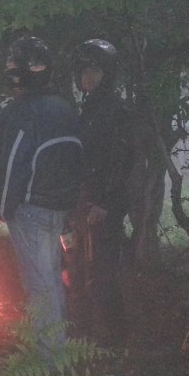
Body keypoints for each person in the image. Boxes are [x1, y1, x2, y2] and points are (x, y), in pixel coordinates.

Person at [0, 36, 83, 360]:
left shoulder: (20, 112)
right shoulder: (64, 109)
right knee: (51, 278)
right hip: (59, 209)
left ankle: (49, 357)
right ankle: (57, 344)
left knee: (40, 284)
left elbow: (12, 163)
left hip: (30, 211)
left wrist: (1, 207)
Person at [68, 38, 137, 343]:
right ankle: (84, 337)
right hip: (83, 203)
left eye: (95, 70)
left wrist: (107, 204)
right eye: (84, 71)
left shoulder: (117, 111)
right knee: (78, 272)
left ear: (108, 73)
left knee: (103, 275)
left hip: (103, 207)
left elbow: (123, 164)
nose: (89, 77)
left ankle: (114, 339)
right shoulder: (88, 111)